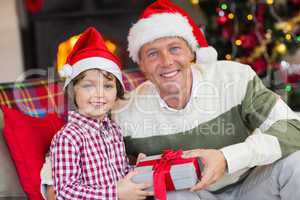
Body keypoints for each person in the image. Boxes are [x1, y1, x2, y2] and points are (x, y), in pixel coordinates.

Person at [42, 0, 300, 199]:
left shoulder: (234, 77)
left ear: (191, 52)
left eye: (175, 49)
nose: (166, 62)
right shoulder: (125, 110)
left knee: (296, 162)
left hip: (252, 186)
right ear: (140, 64)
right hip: (194, 195)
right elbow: (75, 144)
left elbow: (294, 129)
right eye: (152, 53)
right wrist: (51, 184)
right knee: (173, 194)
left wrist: (226, 158)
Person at [46, 27, 152, 200]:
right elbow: (65, 192)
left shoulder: (113, 130)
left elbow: (121, 174)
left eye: (108, 86)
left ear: (116, 93)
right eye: (88, 85)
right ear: (73, 92)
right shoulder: (68, 137)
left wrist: (138, 169)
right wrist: (115, 194)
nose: (100, 94)